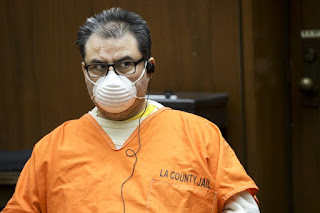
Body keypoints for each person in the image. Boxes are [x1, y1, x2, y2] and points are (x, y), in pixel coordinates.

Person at [2, 7, 259, 213]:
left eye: (125, 64)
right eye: (98, 67)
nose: (111, 78)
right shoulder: (54, 147)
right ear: (84, 71)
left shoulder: (199, 136)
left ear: (149, 67)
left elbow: (241, 208)